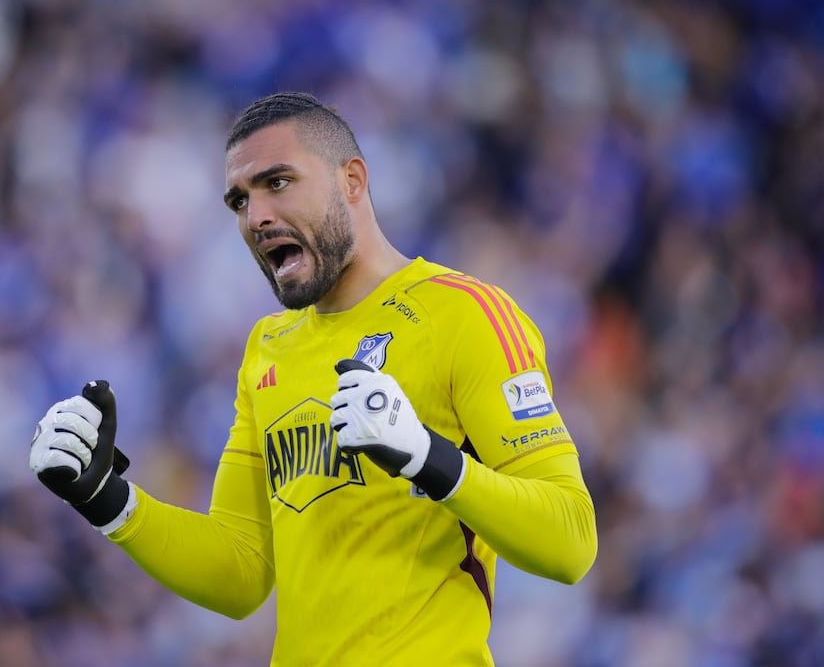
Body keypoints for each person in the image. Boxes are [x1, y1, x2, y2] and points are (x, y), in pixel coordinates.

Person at [29, 91, 597, 665]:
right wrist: (105, 497)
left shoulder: (466, 315)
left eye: (278, 182)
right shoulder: (268, 347)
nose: (257, 217)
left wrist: (428, 457)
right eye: (238, 201)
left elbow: (570, 542)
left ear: (352, 180)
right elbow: (240, 572)